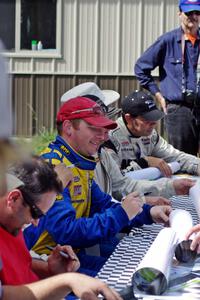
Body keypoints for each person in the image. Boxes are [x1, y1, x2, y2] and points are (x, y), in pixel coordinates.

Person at [24, 96, 171, 277]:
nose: (103, 136)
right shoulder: (53, 166)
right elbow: (66, 231)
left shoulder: (79, 160)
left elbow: (102, 203)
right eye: (94, 128)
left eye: (104, 129)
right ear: (69, 128)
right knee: (131, 284)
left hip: (70, 257)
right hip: (44, 264)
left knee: (142, 273)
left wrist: (148, 212)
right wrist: (122, 213)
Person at [0, 157, 121, 300]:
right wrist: (67, 281)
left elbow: (19, 263)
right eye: (36, 213)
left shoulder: (13, 217)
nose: (36, 223)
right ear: (13, 198)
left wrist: (51, 270)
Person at [60, 82, 193, 204]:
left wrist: (170, 188)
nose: (106, 135)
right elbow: (72, 225)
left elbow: (119, 188)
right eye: (96, 126)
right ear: (69, 128)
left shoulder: (99, 154)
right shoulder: (57, 167)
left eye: (106, 123)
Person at [134, 0, 200, 156]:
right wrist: (158, 95)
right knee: (183, 159)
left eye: (197, 13)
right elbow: (140, 68)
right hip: (179, 110)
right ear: (179, 14)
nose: (193, 16)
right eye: (188, 13)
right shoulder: (167, 41)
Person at [107, 90, 200, 181]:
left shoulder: (150, 134)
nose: (154, 123)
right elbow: (114, 180)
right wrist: (145, 162)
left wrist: (197, 165)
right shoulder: (109, 137)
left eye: (155, 117)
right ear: (128, 118)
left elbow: (175, 156)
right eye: (147, 119)